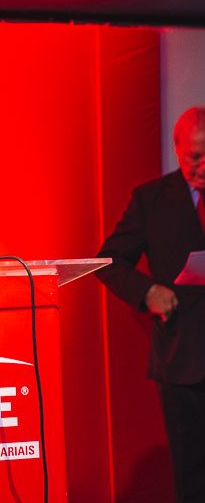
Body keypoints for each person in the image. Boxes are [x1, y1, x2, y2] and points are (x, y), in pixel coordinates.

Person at [96, 106, 205, 503]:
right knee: (193, 477)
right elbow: (109, 261)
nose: (204, 166)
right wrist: (147, 292)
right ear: (177, 151)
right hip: (182, 356)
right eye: (195, 156)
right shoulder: (152, 199)